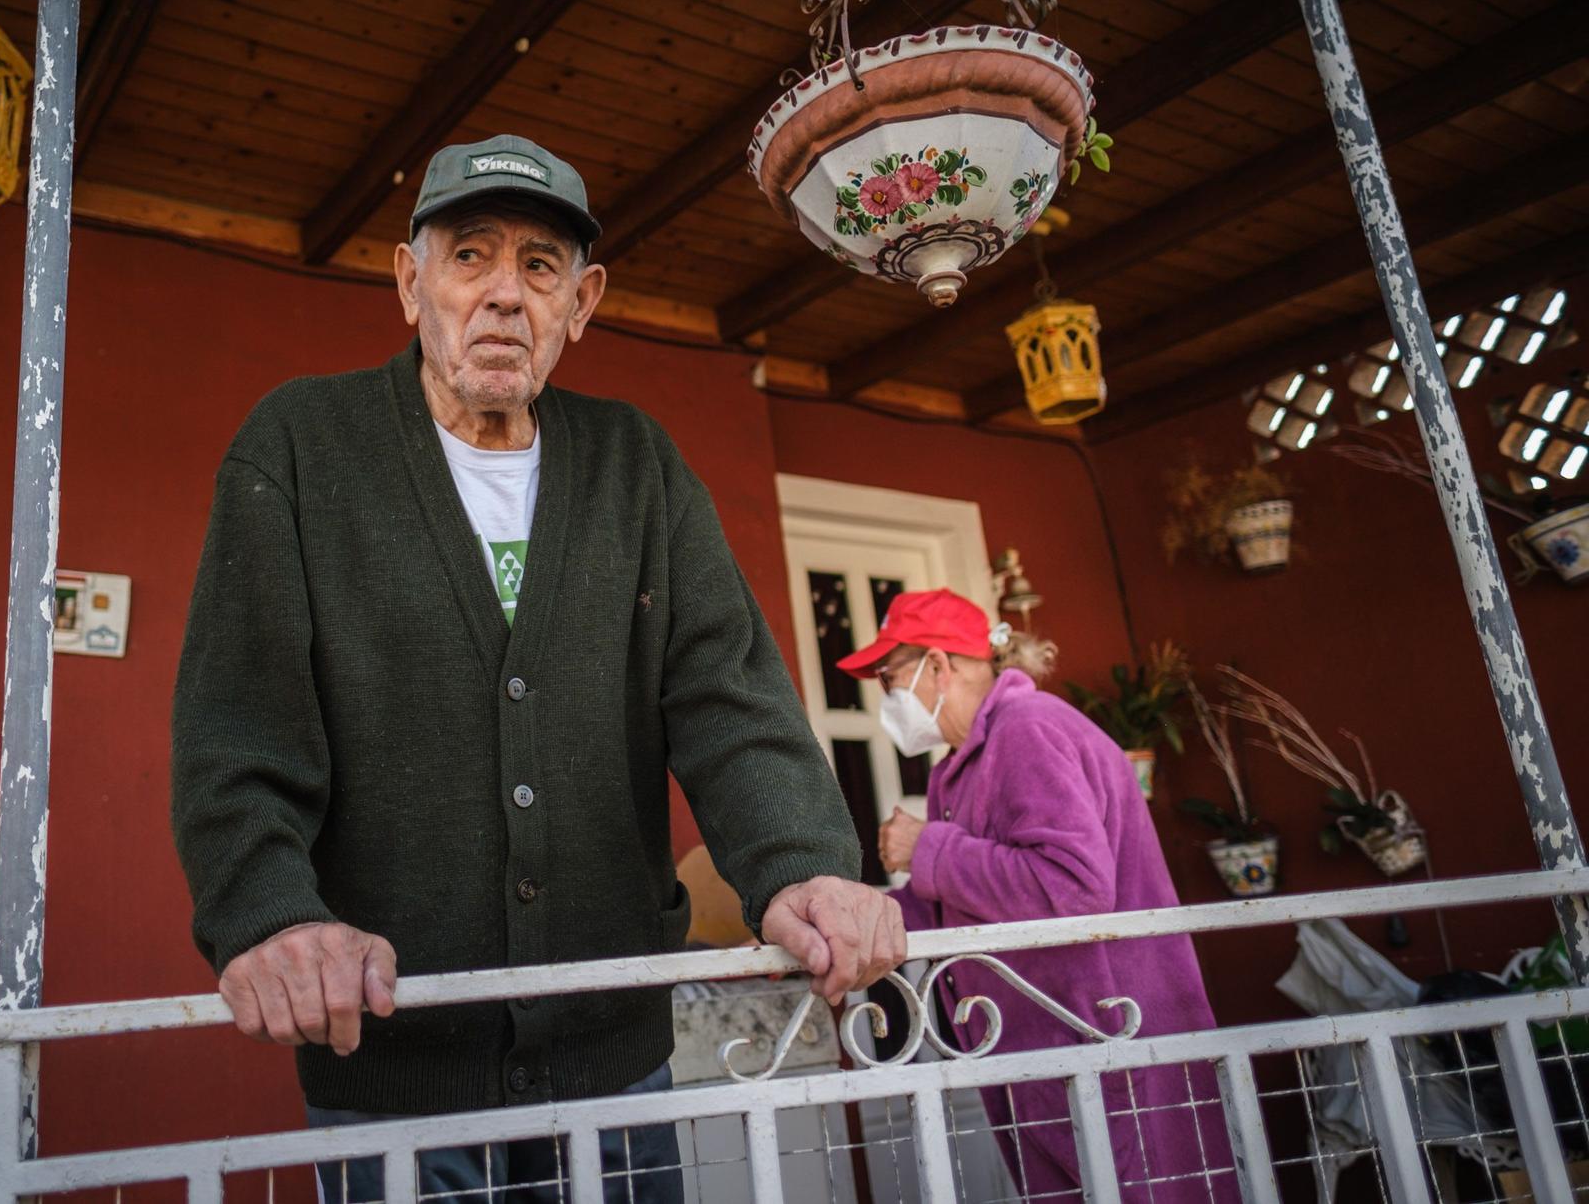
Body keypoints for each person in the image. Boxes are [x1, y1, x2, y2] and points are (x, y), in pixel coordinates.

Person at [170, 134, 905, 1203]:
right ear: (408, 281)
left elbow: (727, 696)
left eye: (540, 266)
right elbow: (239, 725)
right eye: (469, 256)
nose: (504, 295)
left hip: (613, 1062)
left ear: (582, 301)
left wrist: (804, 865)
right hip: (394, 1067)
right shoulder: (296, 447)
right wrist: (271, 914)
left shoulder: (636, 466)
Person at [855, 590, 1240, 1203]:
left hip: (1106, 1041)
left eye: (888, 675)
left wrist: (928, 848)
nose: (883, 694)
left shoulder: (1029, 731)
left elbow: (1071, 885)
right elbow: (961, 902)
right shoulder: (962, 762)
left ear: (937, 666)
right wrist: (839, 923)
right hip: (1044, 1051)